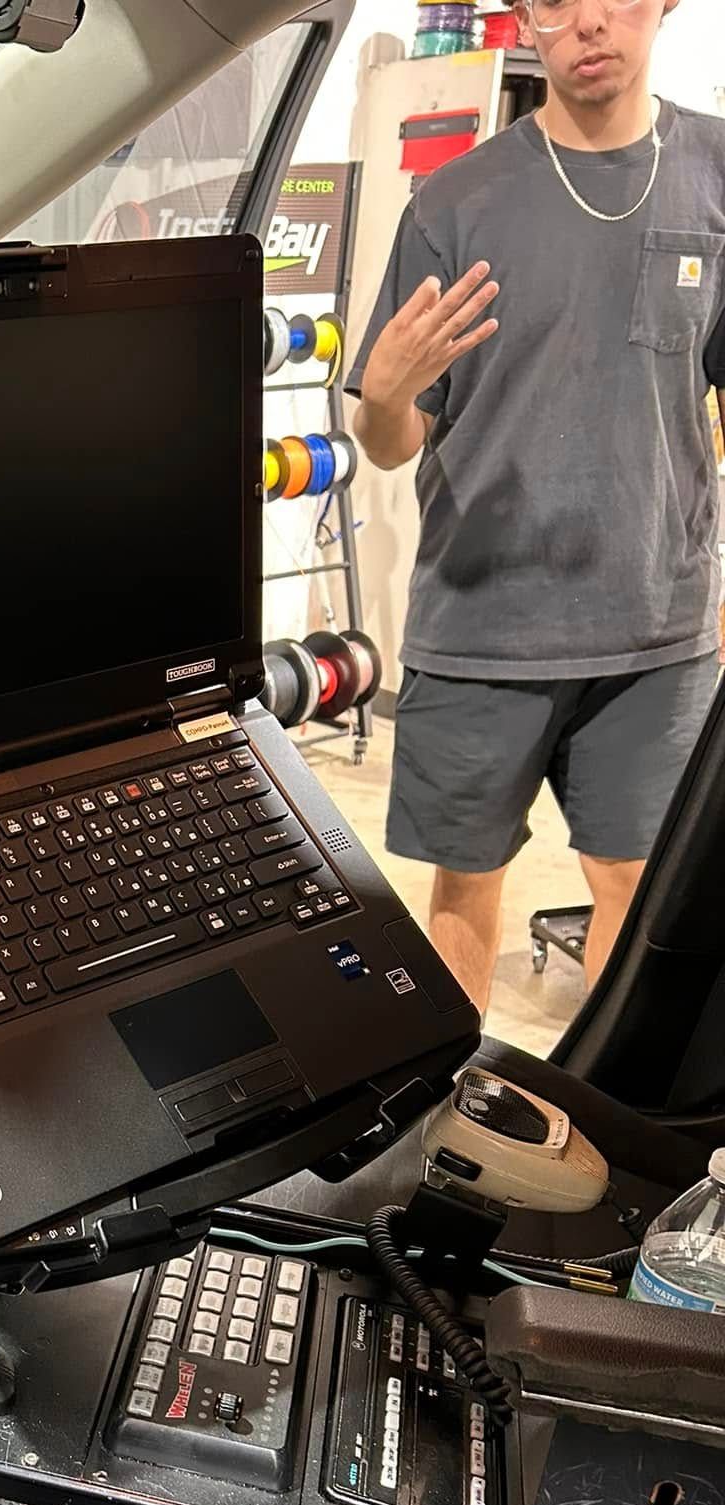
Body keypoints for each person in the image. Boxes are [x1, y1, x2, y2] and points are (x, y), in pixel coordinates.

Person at [347, 0, 725, 1015]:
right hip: (482, 625)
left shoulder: (716, 170)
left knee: (637, 890)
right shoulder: (456, 203)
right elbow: (391, 442)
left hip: (659, 626)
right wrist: (383, 397)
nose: (590, 23)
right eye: (559, 1)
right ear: (528, 16)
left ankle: (605, 1119)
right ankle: (446, 1127)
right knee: (464, 892)